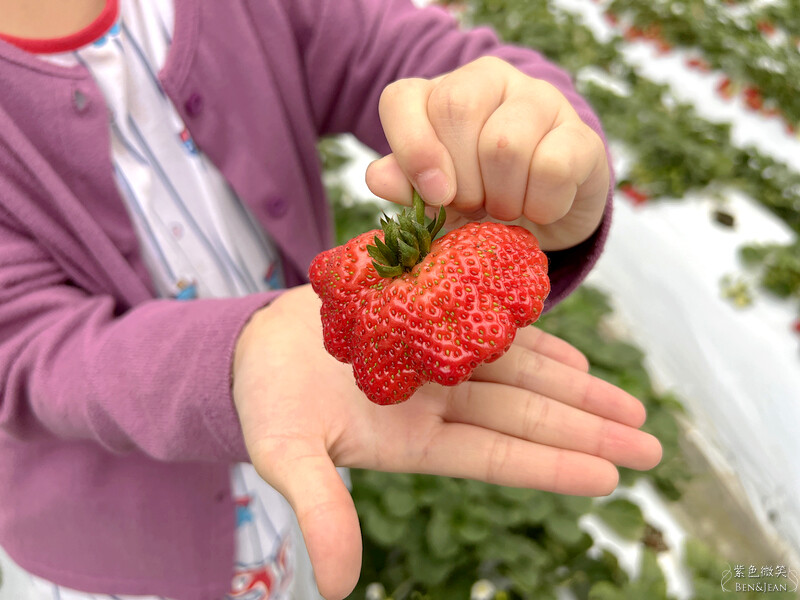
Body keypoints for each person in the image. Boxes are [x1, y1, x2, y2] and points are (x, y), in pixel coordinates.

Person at [0, 0, 662, 599]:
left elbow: (403, 51)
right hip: (116, 552)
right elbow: (22, 343)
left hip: (317, 437)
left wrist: (522, 141)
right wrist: (233, 361)